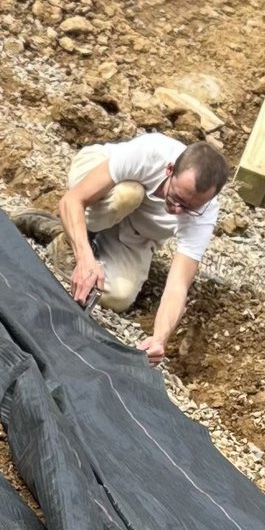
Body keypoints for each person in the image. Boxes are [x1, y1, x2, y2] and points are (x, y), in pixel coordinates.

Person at [54, 133, 230, 365]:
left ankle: (87, 242)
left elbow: (178, 286)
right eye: (176, 197)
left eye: (189, 208)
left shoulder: (204, 214)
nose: (177, 210)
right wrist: (85, 259)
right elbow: (73, 200)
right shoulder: (150, 153)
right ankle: (71, 239)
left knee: (119, 296)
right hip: (99, 187)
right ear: (169, 170)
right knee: (127, 196)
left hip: (136, 231)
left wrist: (159, 339)